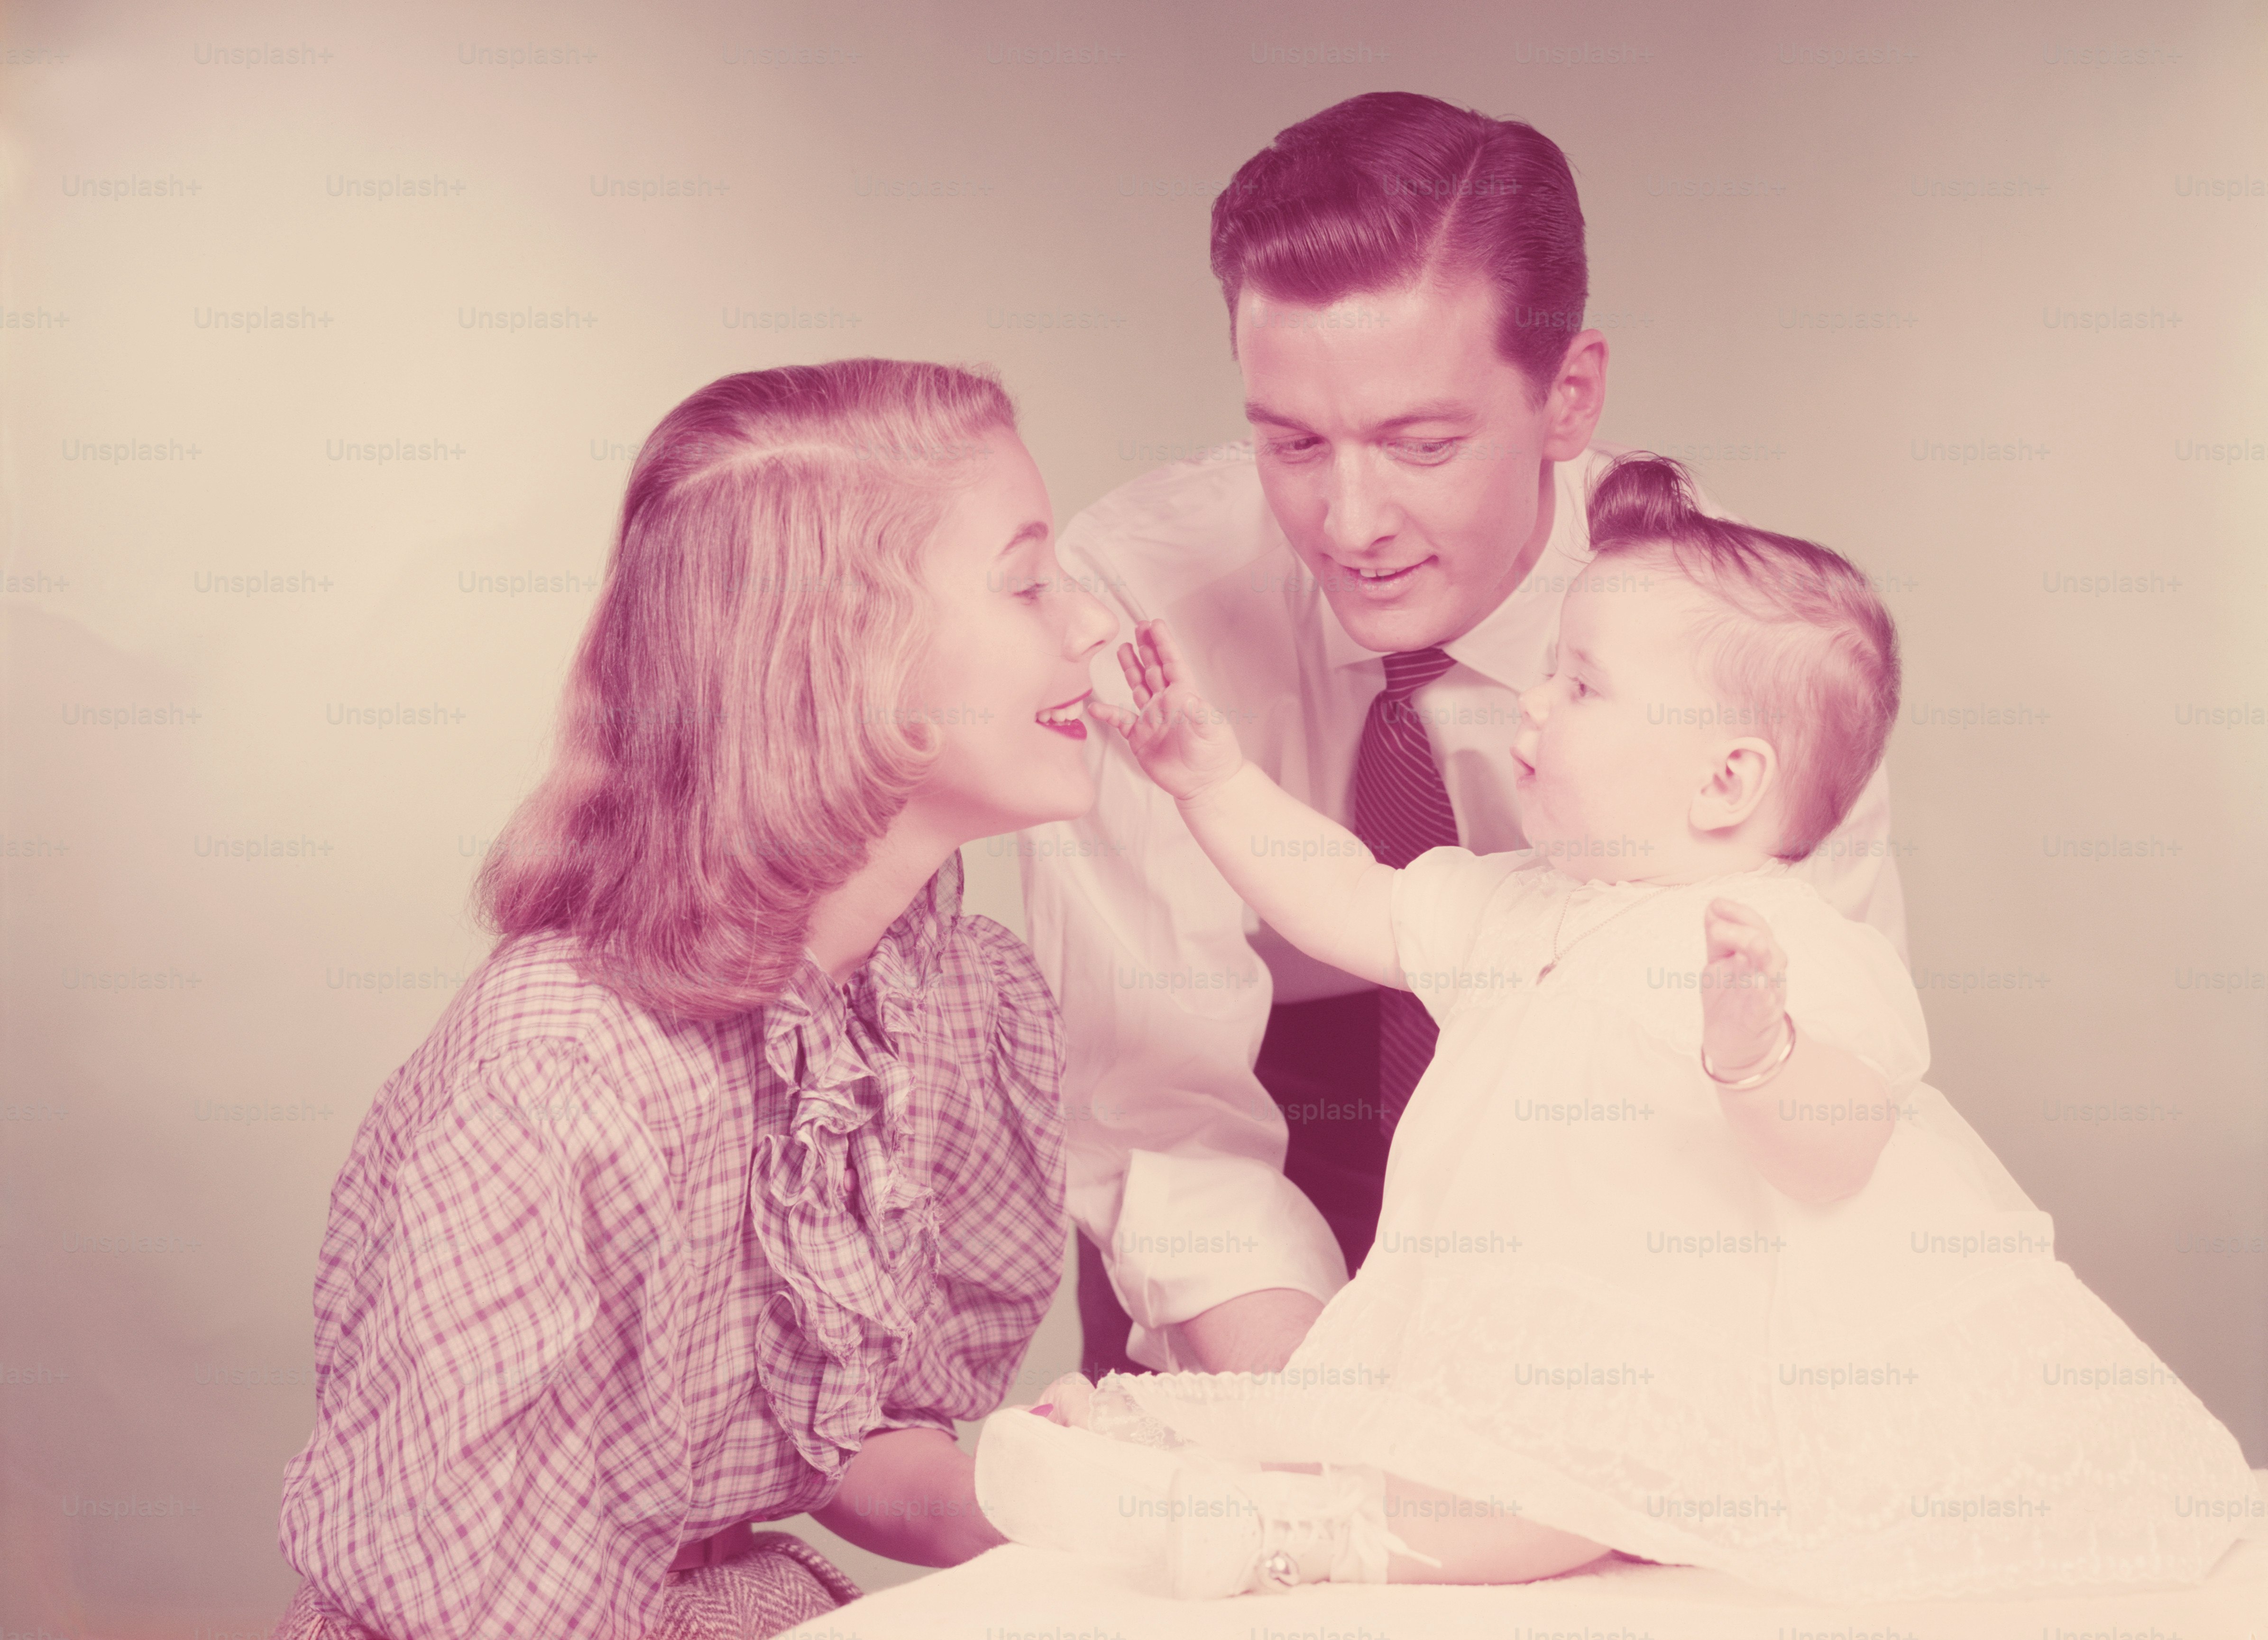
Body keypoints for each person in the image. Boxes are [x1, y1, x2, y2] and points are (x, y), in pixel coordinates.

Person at [980, 454, 2258, 1602]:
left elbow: (1838, 1149)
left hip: (1670, 1356)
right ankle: (1153, 1447)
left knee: (1550, 1500)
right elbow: (1350, 900)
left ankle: (1309, 1541)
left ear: (1727, 778)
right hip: (1508, 1326)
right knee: (1392, 1422)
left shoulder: (1787, 940)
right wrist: (1213, 778)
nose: (1530, 709)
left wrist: (1759, 1055)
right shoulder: (1525, 902)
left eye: (1581, 685)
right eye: (1550, 670)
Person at [1021, 92, 1905, 1381]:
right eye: (1292, 444)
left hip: (1631, 1188)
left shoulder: (1748, 645)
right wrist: (1325, 1434)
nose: (1351, 520)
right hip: (1255, 1157)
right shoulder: (1137, 601)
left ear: (1568, 397)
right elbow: (1159, 1114)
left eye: (1422, 443)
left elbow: (1822, 1084)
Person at [269, 360, 1118, 1640]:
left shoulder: (941, 993)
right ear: (848, 657)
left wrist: (1099, 1501)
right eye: (1028, 580)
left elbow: (846, 1440)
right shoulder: (557, 1079)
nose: (1094, 623)